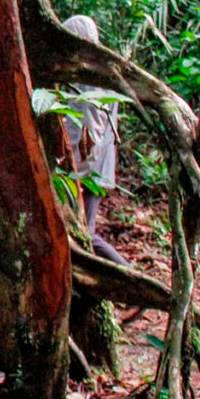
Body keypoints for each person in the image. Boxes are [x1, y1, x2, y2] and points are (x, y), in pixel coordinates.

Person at [61, 15, 130, 268]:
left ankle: (128, 278)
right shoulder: (97, 72)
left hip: (87, 171)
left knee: (84, 233)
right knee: (80, 229)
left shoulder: (92, 78)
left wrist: (76, 175)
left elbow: (91, 132)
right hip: (89, 169)